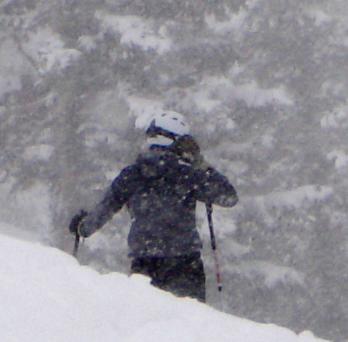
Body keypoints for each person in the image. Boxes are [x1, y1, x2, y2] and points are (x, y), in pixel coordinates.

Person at [69, 111, 237, 302]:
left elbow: (106, 207)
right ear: (175, 141)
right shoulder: (187, 174)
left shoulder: (132, 174)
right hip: (185, 263)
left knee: (148, 322)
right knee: (189, 323)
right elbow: (228, 196)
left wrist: (83, 227)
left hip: (144, 264)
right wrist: (201, 164)